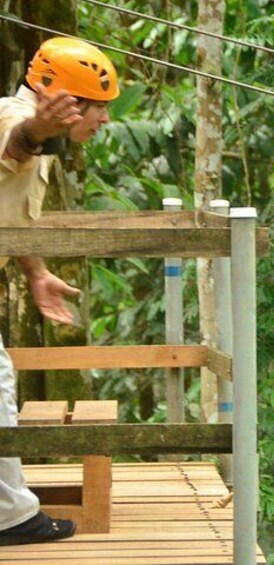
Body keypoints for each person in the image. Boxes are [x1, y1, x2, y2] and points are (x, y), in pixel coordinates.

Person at [0, 36, 119, 546]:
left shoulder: (40, 138)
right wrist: (35, 133)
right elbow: (12, 144)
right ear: (68, 103)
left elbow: (9, 207)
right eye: (99, 109)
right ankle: (11, 517)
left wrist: (36, 271)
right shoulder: (14, 117)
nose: (105, 120)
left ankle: (10, 513)